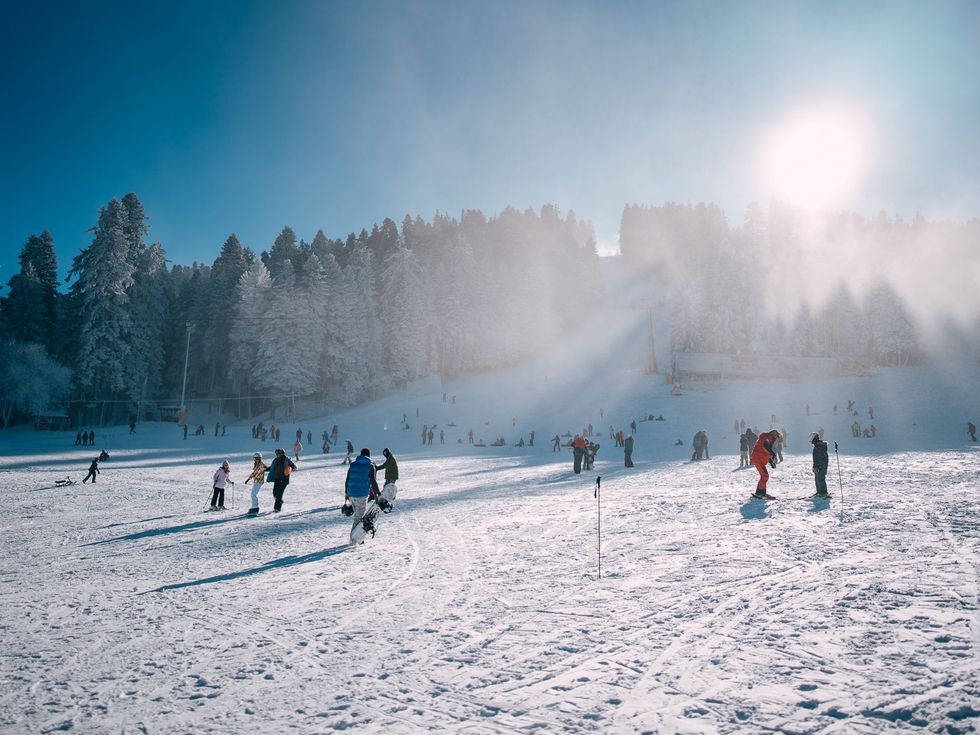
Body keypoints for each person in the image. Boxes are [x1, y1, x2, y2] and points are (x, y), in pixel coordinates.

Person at [345, 448, 381, 544]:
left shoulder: (353, 464)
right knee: (358, 517)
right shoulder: (370, 466)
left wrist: (346, 493)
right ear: (369, 455)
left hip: (351, 493)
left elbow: (347, 479)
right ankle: (354, 540)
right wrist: (378, 494)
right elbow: (373, 481)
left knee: (358, 516)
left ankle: (357, 538)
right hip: (361, 494)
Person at [750, 430, 780, 498]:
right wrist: (773, 454)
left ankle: (762, 493)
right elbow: (765, 446)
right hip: (757, 459)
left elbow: (765, 451)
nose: (775, 439)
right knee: (765, 476)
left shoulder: (766, 438)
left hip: (759, 459)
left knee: (765, 476)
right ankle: (759, 493)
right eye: (776, 436)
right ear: (773, 434)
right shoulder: (767, 437)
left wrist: (771, 462)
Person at [266, 448, 296, 513]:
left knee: (279, 494)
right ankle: (280, 501)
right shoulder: (275, 460)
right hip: (277, 479)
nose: (277, 455)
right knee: (274, 493)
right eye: (276, 453)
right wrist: (264, 469)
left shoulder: (286, 459)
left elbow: (292, 464)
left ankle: (277, 508)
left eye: (278, 453)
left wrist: (293, 467)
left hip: (284, 480)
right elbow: (271, 467)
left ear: (282, 453)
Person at [810, 432, 829, 497]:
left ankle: (823, 493)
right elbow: (815, 458)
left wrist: (818, 466)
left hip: (821, 466)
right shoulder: (817, 446)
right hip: (818, 466)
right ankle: (819, 491)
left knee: (821, 479)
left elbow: (820, 458)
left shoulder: (819, 446)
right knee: (817, 479)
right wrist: (814, 466)